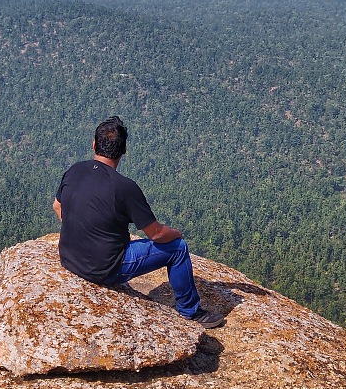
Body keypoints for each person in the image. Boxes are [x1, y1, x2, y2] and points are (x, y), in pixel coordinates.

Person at [53, 116, 225, 328]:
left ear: (94, 145)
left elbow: (57, 206)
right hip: (105, 268)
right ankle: (190, 311)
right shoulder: (124, 187)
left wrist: (81, 230)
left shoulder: (75, 170)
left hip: (69, 258)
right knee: (178, 248)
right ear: (123, 150)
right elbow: (156, 234)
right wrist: (177, 233)